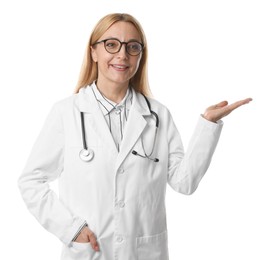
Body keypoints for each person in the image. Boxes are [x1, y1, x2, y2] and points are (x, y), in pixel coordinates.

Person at [18, 13, 252, 260]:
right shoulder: (67, 113)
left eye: (132, 47)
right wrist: (70, 228)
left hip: (144, 252)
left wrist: (208, 124)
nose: (122, 55)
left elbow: (184, 182)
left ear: (141, 56)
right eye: (111, 44)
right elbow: (31, 181)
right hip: (90, 251)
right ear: (93, 52)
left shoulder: (157, 115)